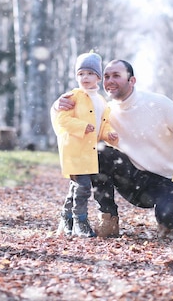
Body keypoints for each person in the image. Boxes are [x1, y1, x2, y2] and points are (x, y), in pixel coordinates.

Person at [54, 59, 173, 239]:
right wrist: (57, 106)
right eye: (106, 76)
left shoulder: (158, 103)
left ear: (132, 80)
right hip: (131, 178)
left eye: (116, 76)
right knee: (97, 153)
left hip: (167, 179)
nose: (110, 81)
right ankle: (108, 217)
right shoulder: (104, 109)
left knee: (170, 217)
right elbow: (68, 128)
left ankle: (170, 220)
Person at [50, 52, 118, 238]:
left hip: (90, 151)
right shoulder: (73, 96)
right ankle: (80, 220)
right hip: (74, 149)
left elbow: (103, 124)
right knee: (83, 187)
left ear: (98, 76)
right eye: (80, 74)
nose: (84, 78)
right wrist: (82, 126)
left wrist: (108, 133)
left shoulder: (101, 100)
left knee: (76, 187)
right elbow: (62, 120)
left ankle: (67, 218)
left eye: (89, 73)